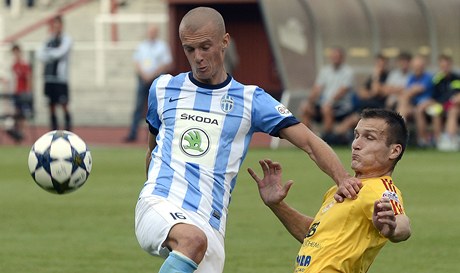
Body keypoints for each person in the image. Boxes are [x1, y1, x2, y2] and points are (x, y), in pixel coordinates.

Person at [134, 7, 361, 273]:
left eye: (205, 47)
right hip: (159, 203)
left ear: (225, 42)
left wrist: (342, 178)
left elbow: (309, 142)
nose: (198, 58)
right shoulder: (163, 88)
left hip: (210, 224)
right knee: (192, 240)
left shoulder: (251, 100)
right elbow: (152, 151)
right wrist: (155, 197)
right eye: (189, 49)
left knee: (197, 240)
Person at [248, 108, 411, 273]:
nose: (356, 145)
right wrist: (277, 205)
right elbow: (314, 236)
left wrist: (391, 228)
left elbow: (403, 226)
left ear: (394, 151)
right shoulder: (339, 189)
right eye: (356, 136)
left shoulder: (381, 189)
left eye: (369, 138)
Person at [124, 24, 173, 142]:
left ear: (157, 33)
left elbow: (167, 63)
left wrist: (152, 75)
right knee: (138, 106)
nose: (151, 34)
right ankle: (133, 133)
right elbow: (136, 62)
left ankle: (153, 134)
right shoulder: (142, 46)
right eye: (150, 31)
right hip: (142, 79)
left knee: (155, 108)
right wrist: (144, 74)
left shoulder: (162, 46)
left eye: (153, 31)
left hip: (156, 79)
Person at [331, 53, 390, 144]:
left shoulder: (387, 77)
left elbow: (376, 90)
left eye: (381, 64)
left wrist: (376, 77)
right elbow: (361, 93)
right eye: (377, 63)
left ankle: (334, 138)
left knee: (353, 120)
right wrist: (371, 93)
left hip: (378, 109)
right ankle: (335, 137)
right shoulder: (371, 78)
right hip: (364, 108)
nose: (379, 66)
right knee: (350, 120)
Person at [299, 46, 355, 139]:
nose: (335, 59)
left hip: (341, 106)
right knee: (305, 108)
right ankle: (307, 139)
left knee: (326, 108)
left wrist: (328, 102)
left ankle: (327, 139)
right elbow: (317, 88)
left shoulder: (348, 72)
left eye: (337, 56)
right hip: (324, 104)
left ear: (342, 58)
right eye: (333, 56)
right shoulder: (325, 71)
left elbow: (342, 91)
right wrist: (309, 102)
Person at [37, 15, 72, 131]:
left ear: (62, 25)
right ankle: (54, 132)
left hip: (61, 79)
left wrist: (48, 53)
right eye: (54, 25)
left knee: (64, 105)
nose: (56, 27)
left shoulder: (66, 39)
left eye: (58, 24)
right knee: (51, 106)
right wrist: (50, 54)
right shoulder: (48, 40)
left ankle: (68, 131)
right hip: (49, 78)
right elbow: (40, 54)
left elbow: (60, 53)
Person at [396, 54, 433, 147]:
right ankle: (399, 137)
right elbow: (407, 92)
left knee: (418, 110)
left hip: (428, 105)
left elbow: (418, 89)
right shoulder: (412, 78)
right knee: (403, 107)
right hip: (414, 105)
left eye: (419, 67)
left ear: (423, 67)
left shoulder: (428, 77)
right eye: (415, 67)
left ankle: (423, 140)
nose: (417, 69)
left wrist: (406, 93)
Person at [427, 54, 460, 151]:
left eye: (447, 65)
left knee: (453, 111)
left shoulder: (457, 78)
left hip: (455, 106)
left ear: (450, 65)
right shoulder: (436, 79)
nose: (445, 68)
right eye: (442, 66)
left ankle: (450, 140)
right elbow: (433, 96)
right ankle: (439, 142)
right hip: (441, 105)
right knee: (435, 111)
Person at [7, 43, 33, 142]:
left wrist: (29, 92)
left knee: (22, 114)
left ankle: (21, 133)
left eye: (17, 52)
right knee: (16, 113)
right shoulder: (13, 65)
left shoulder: (24, 65)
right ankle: (17, 134)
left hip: (23, 93)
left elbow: (29, 78)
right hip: (15, 93)